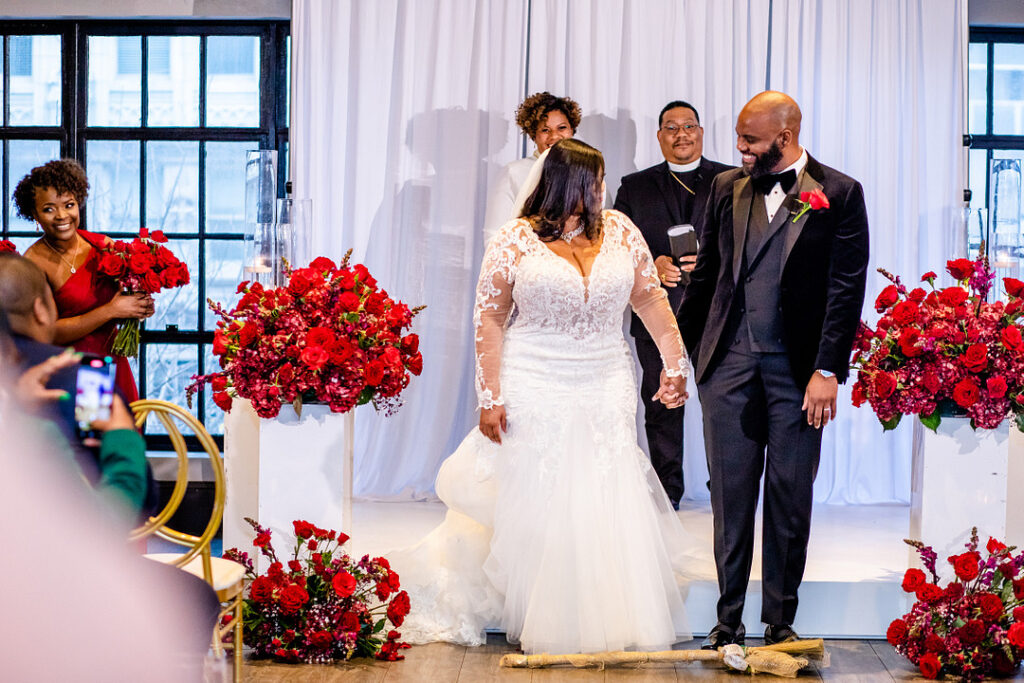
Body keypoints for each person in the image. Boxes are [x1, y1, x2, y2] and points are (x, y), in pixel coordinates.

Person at [396, 139, 695, 655]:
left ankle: (605, 608)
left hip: (605, 374)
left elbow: (649, 297)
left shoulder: (621, 230)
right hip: (534, 374)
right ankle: (539, 605)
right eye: (594, 182)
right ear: (564, 185)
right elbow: (489, 317)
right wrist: (489, 395)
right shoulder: (515, 239)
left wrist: (675, 364)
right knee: (543, 488)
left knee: (604, 484)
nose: (602, 191)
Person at [677, 91, 869, 648]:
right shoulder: (724, 188)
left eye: (750, 140)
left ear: (783, 139)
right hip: (728, 369)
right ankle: (727, 618)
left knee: (789, 495)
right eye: (739, 136)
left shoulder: (839, 193)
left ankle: (780, 619)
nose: (738, 148)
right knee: (730, 495)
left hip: (799, 375)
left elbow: (844, 289)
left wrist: (827, 370)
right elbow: (707, 275)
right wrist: (686, 357)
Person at [614, 100, 733, 507]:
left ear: (700, 132)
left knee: (722, 408)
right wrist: (653, 263)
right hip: (656, 316)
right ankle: (667, 496)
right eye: (671, 127)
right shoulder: (634, 186)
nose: (681, 134)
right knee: (662, 408)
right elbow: (615, 248)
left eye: (689, 126)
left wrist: (712, 261)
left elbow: (749, 244)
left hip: (718, 316)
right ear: (660, 136)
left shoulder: (732, 180)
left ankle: (728, 493)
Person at [16, 158, 154, 403]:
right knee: (92, 438)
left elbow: (125, 300)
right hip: (71, 369)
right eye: (48, 209)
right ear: (34, 215)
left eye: (68, 205)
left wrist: (138, 306)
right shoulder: (33, 263)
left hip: (114, 363)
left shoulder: (103, 245)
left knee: (122, 437)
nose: (61, 216)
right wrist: (111, 310)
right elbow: (47, 332)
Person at [482, 92, 581, 244]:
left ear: (572, 131)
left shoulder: (588, 173)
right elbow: (494, 238)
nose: (554, 136)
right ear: (533, 136)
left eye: (561, 128)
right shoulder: (513, 173)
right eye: (545, 130)